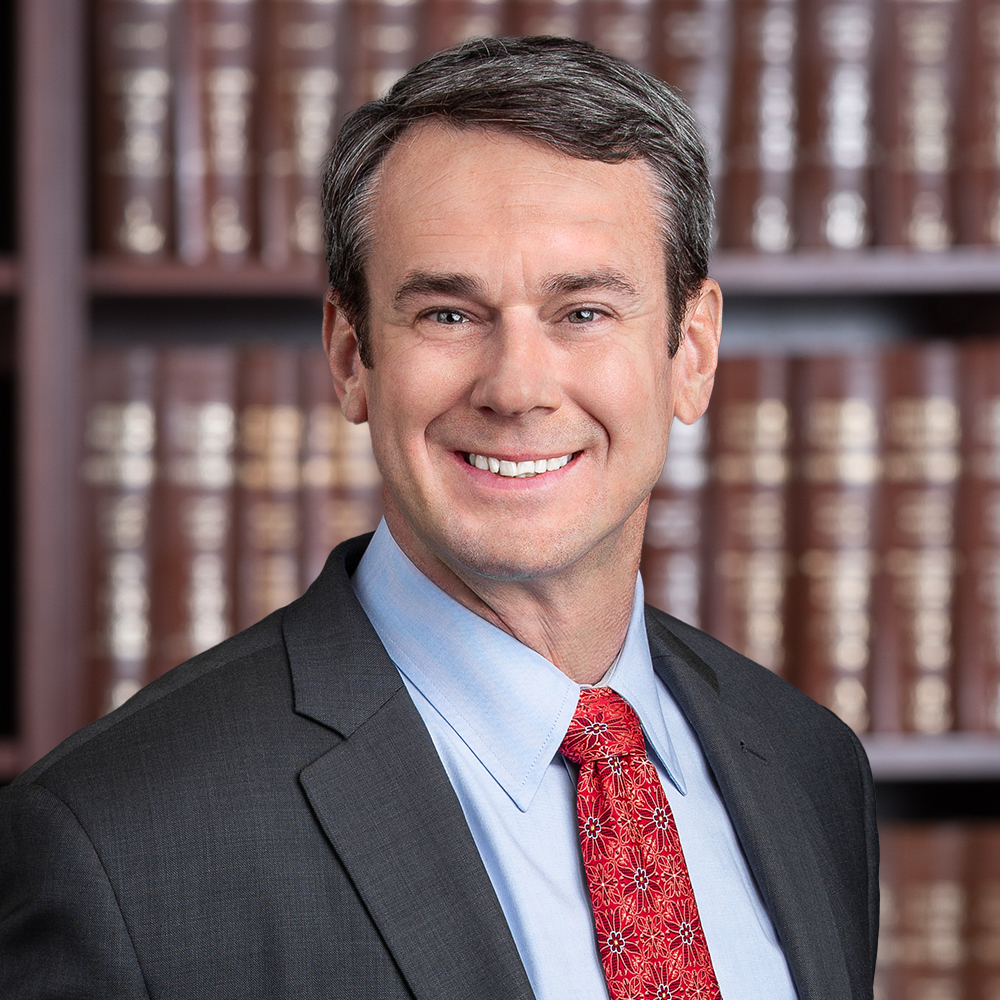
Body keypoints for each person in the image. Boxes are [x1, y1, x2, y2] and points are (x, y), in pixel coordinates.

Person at [0, 37, 877, 1000]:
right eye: (449, 315)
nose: (517, 388)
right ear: (349, 357)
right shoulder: (114, 844)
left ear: (692, 353)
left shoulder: (809, 766)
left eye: (583, 311)